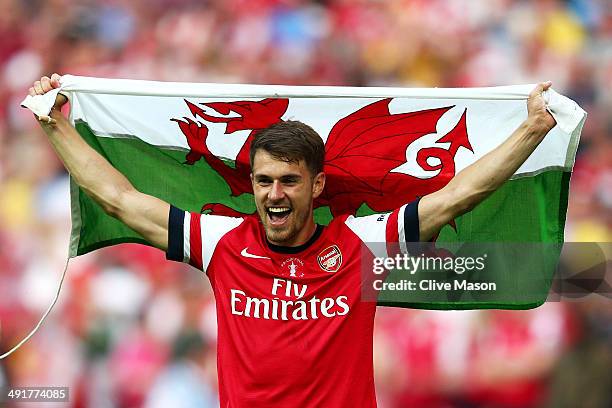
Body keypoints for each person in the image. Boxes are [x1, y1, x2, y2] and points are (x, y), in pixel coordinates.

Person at [29, 73, 556, 407]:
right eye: (263, 181)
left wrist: (532, 130)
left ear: (316, 185)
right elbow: (119, 199)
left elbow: (460, 194)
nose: (274, 194)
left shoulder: (360, 243)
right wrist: (57, 128)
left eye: (288, 181)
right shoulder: (220, 242)